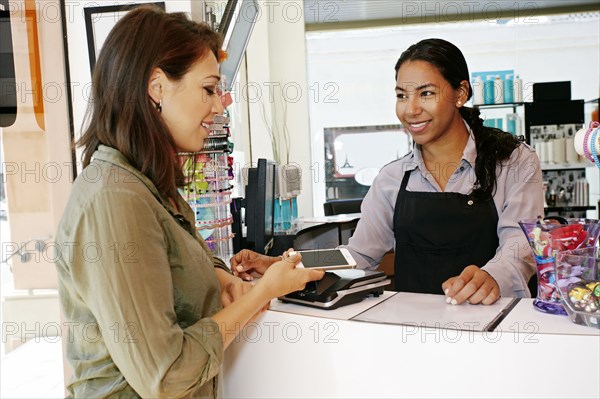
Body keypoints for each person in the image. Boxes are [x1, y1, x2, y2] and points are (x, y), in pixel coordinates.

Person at [55, 6, 323, 398]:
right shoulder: (115, 199)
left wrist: (221, 279)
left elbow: (172, 260)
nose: (219, 106)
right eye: (209, 89)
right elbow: (166, 375)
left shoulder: (148, 186)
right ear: (157, 88)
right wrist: (262, 293)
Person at [234, 38, 544, 306]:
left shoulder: (513, 162)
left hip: (496, 325)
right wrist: (284, 263)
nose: (410, 109)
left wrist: (491, 277)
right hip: (411, 330)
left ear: (460, 93)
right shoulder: (392, 178)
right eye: (401, 95)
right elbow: (357, 254)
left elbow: (520, 248)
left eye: (426, 93)